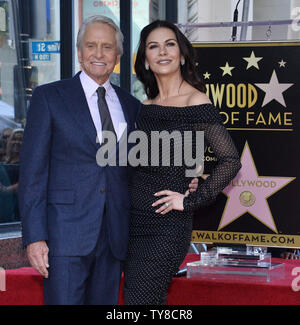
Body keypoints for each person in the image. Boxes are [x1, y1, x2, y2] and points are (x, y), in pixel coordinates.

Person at [18, 15, 142, 305]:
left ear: (118, 55)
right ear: (79, 52)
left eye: (107, 47)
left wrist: (180, 184)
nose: (99, 54)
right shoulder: (49, 97)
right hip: (65, 238)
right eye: (91, 45)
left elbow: (135, 171)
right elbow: (33, 173)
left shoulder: (131, 105)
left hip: (114, 238)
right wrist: (35, 237)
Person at [123, 20, 242, 305]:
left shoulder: (195, 101)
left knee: (140, 299)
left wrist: (188, 201)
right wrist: (191, 171)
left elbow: (230, 160)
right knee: (141, 299)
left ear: (182, 54)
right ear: (146, 60)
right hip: (130, 221)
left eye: (170, 44)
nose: (162, 51)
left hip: (166, 226)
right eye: (153, 46)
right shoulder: (144, 106)